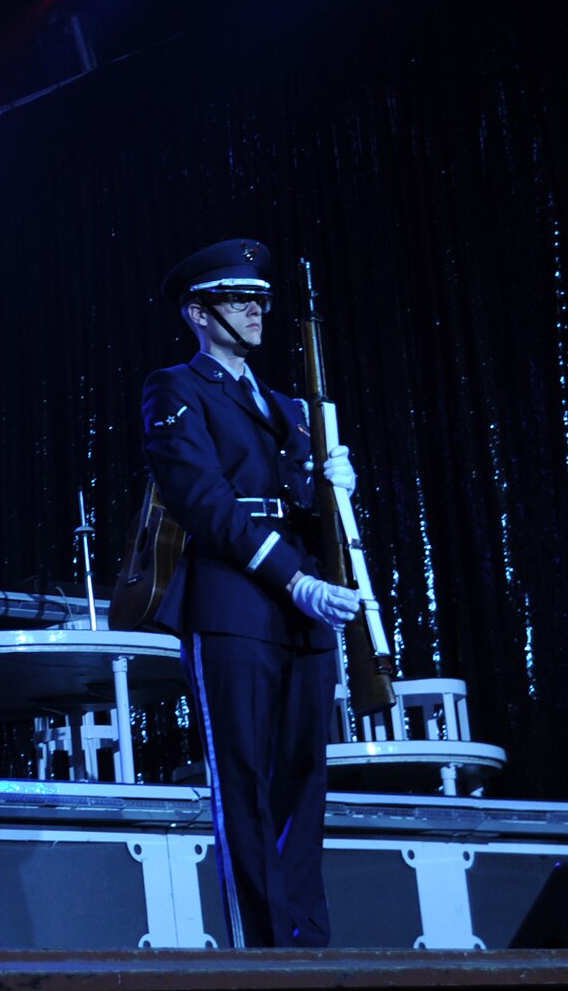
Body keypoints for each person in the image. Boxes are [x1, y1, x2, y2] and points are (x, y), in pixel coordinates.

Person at [141, 238, 360, 949]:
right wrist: (291, 578)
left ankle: (308, 940)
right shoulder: (176, 388)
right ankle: (265, 949)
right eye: (238, 298)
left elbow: (307, 505)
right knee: (246, 781)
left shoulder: (290, 406)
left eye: (260, 297)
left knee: (304, 779)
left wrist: (339, 485)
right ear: (199, 313)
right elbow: (205, 501)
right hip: (237, 596)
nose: (256, 309)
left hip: (304, 605)